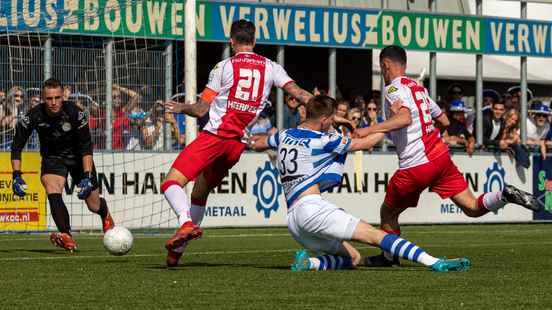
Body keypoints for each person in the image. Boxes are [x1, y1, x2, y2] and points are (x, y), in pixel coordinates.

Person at [354, 46, 540, 267]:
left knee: (388, 212)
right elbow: (442, 120)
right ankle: (504, 195)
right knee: (471, 207)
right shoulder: (418, 89)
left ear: (385, 65)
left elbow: (404, 119)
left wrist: (369, 129)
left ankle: (388, 258)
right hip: (440, 157)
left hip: (416, 164)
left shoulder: (392, 89)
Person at [250, 95, 471, 272]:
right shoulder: (323, 140)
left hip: (294, 221)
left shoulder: (285, 135)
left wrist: (247, 139)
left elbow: (259, 143)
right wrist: (390, 125)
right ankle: (434, 262)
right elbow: (364, 142)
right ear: (326, 119)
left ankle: (311, 264)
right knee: (376, 236)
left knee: (353, 257)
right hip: (312, 208)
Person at [160, 19, 313, 267]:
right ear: (254, 41)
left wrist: (180, 107)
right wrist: (327, 113)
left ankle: (185, 223)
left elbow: (200, 110)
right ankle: (177, 252)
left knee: (170, 182)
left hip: (216, 137)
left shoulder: (223, 67)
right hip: (236, 146)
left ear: (231, 42)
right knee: (200, 191)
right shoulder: (271, 67)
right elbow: (301, 95)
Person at [10, 78, 115, 252]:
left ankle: (105, 214)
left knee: (93, 205)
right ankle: (66, 235)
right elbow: (17, 146)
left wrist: (88, 176)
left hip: (78, 158)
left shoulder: (75, 113)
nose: (53, 102)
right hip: (53, 158)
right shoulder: (33, 116)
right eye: (49, 98)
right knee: (52, 185)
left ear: (62, 97)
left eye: (57, 98)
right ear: (43, 98)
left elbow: (86, 146)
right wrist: (16, 175)